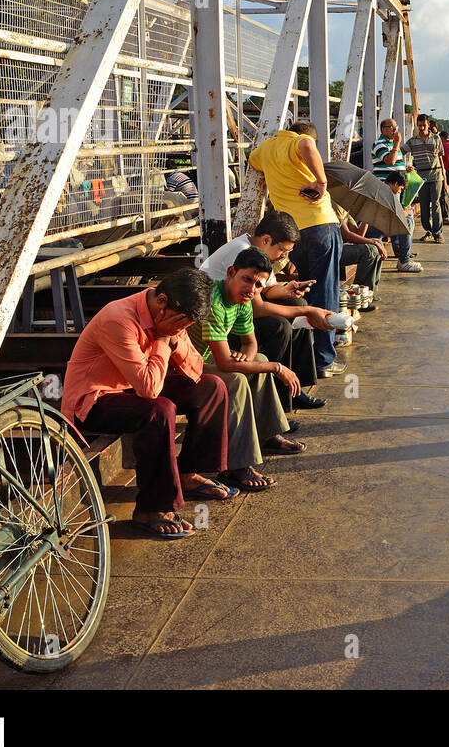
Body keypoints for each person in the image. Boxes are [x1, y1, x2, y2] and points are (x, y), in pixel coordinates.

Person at [62, 268, 229, 540]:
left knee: (212, 387)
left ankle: (188, 474)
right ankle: (151, 509)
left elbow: (195, 368)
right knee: (160, 410)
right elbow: (150, 390)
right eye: (181, 323)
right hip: (93, 401)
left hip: (133, 390)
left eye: (187, 325)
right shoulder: (119, 319)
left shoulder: (174, 315)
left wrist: (175, 341)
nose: (182, 329)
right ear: (161, 302)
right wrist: (163, 340)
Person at [194, 247, 304, 492]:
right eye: (247, 279)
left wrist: (248, 358)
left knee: (259, 359)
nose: (252, 289)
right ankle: (234, 465)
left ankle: (267, 435)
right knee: (236, 379)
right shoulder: (214, 300)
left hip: (210, 359)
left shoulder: (243, 301)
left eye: (258, 285)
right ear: (231, 272)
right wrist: (276, 368)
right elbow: (224, 364)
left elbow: (250, 343)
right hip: (186, 365)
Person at [198, 211, 333, 409]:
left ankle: (295, 386)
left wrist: (288, 289)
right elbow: (258, 307)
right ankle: (277, 396)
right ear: (266, 239)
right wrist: (308, 311)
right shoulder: (240, 253)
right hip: (216, 323)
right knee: (279, 327)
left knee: (299, 305)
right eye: (282, 250)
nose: (285, 257)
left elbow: (267, 290)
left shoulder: (257, 253)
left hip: (235, 313)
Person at [249, 120, 346, 377]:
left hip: (290, 234)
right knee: (326, 290)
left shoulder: (268, 148)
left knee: (305, 291)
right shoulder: (299, 142)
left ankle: (308, 357)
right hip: (320, 225)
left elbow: (252, 160)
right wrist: (321, 183)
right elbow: (305, 145)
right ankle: (324, 359)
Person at [372, 119, 422, 273]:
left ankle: (403, 255)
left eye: (396, 127)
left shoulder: (393, 146)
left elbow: (395, 163)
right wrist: (397, 143)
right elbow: (390, 160)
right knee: (406, 219)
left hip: (396, 190)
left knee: (401, 220)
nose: (395, 130)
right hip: (386, 191)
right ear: (383, 129)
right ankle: (404, 260)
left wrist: (405, 168)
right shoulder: (379, 144)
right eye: (391, 127)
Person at [405, 113, 445, 243]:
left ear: (428, 125)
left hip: (436, 175)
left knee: (436, 204)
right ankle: (428, 229)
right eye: (420, 125)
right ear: (417, 125)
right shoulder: (412, 141)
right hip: (421, 177)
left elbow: (440, 157)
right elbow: (401, 152)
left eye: (424, 125)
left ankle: (438, 233)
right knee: (424, 205)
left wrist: (444, 176)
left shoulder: (436, 139)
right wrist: (407, 166)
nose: (422, 128)